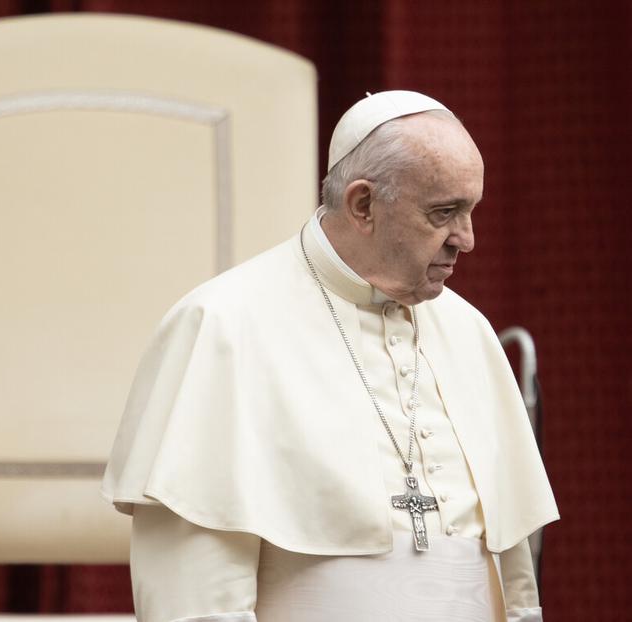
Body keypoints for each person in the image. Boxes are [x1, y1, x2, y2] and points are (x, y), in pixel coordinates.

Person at [101, 90, 558, 622]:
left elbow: (514, 575)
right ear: (362, 205)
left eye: (471, 210)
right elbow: (195, 599)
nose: (468, 239)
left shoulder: (469, 331)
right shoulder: (222, 326)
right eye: (444, 213)